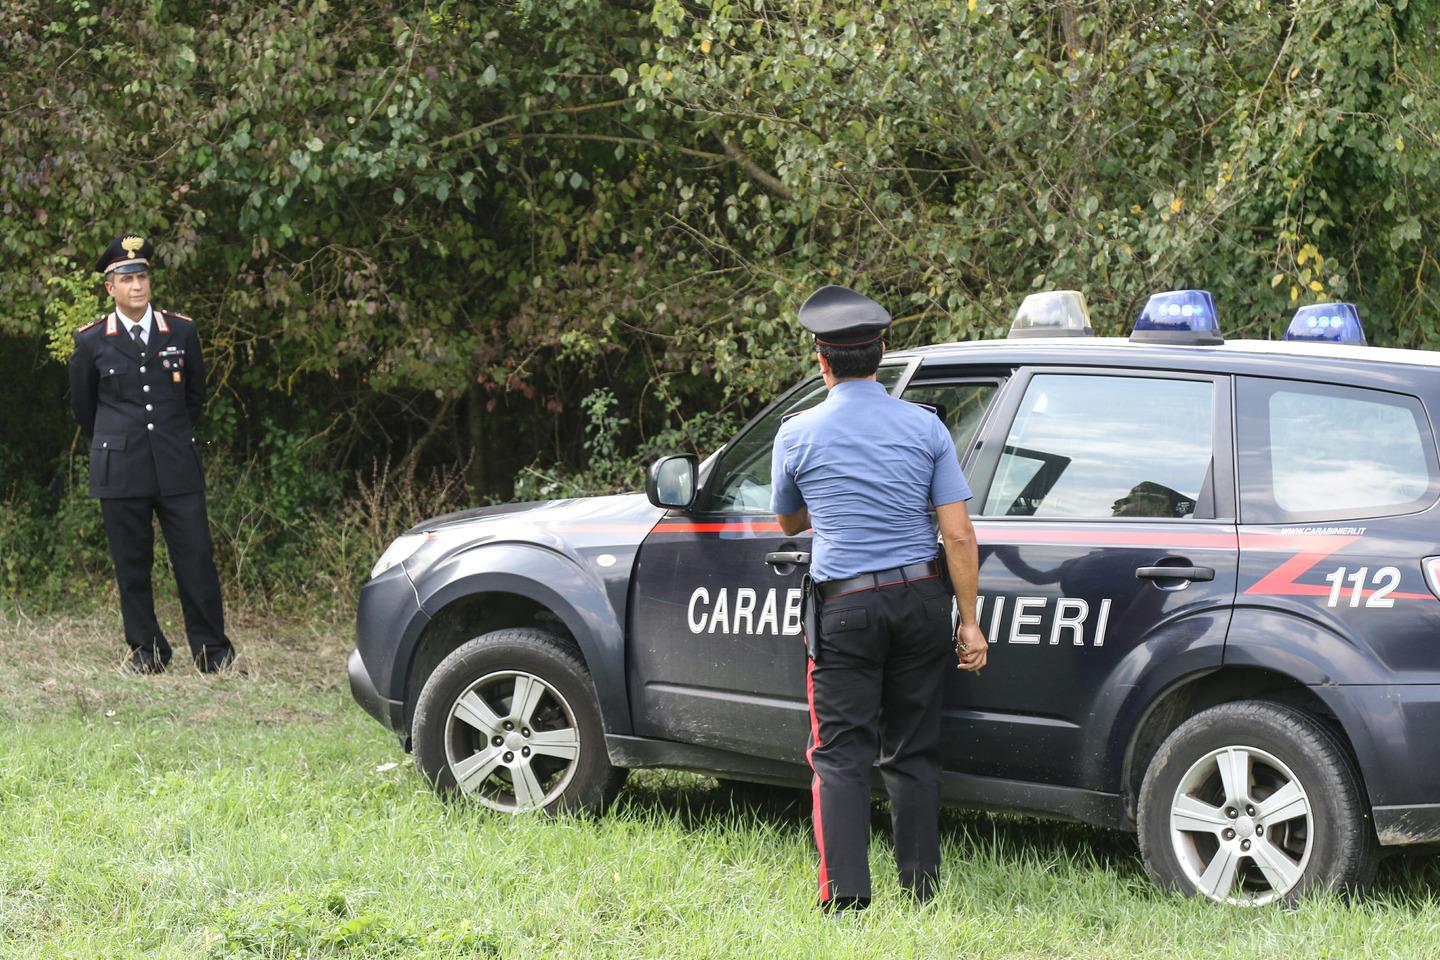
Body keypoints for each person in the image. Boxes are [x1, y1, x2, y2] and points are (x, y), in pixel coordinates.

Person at [770, 284, 987, 912]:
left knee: (839, 754)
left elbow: (787, 523)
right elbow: (957, 533)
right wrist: (968, 623)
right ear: (884, 351)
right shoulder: (926, 428)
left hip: (845, 608)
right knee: (914, 748)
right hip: (922, 599)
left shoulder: (798, 433)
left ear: (822, 360)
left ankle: (844, 899)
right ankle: (920, 890)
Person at [68, 232, 237, 674]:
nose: (136, 286)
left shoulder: (181, 330)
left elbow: (195, 397)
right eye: (126, 279)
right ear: (111, 288)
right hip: (120, 469)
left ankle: (212, 652)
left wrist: (169, 436)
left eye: (142, 276)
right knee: (132, 566)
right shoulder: (90, 341)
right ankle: (147, 651)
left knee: (197, 560)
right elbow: (85, 409)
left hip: (176, 463)